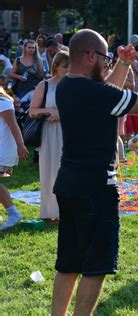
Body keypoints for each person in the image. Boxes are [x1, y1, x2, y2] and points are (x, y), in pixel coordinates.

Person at [50, 28, 138, 316]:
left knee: (68, 263)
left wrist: (123, 64)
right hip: (96, 188)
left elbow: (106, 93)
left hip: (69, 182)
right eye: (105, 57)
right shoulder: (95, 93)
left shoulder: (66, 86)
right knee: (96, 266)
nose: (108, 61)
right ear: (90, 56)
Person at [28, 51, 69, 220]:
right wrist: (49, 111)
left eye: (71, 67)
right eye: (65, 66)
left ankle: (68, 210)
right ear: (56, 66)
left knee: (68, 171)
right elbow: (32, 111)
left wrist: (62, 114)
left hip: (69, 132)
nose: (68, 70)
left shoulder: (76, 85)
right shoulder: (44, 85)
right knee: (50, 170)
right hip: (49, 132)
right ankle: (50, 212)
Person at [0, 86, 29, 231]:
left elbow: (13, 125)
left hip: (3, 149)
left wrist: (21, 145)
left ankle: (13, 213)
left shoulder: (3, 102)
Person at [125, 60, 138, 139]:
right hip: (135, 91)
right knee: (132, 115)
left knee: (132, 114)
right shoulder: (135, 63)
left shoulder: (131, 65)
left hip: (132, 92)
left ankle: (133, 134)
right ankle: (134, 134)